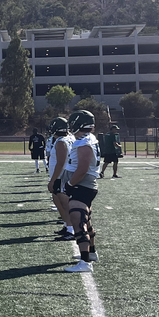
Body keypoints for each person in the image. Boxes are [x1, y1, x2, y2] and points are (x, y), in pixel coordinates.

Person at [62, 110, 103, 273]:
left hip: (82, 186)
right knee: (86, 221)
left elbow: (83, 168)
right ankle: (91, 253)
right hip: (86, 185)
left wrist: (70, 183)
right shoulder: (88, 138)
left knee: (78, 222)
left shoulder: (83, 142)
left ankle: (85, 262)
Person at [47, 117, 76, 241]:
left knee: (65, 203)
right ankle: (66, 225)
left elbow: (60, 162)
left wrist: (53, 179)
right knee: (57, 200)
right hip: (64, 174)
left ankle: (71, 229)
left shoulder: (61, 142)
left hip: (61, 176)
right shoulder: (69, 138)